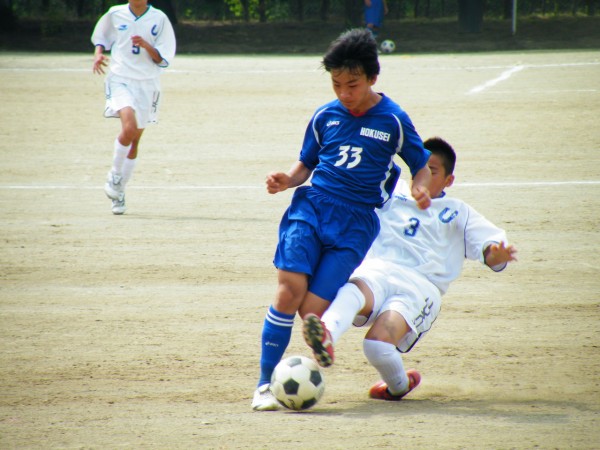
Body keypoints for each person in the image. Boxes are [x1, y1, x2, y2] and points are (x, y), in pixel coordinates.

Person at [252, 28, 433, 411]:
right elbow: (306, 163)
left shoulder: (394, 120)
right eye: (336, 85)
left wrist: (422, 188)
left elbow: (421, 165)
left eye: (352, 85)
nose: (344, 94)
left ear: (372, 78)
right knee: (288, 293)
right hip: (313, 207)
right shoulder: (325, 115)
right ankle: (265, 386)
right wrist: (288, 179)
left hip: (356, 224)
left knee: (311, 313)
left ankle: (328, 333)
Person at [302, 136, 518, 401]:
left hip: (420, 287)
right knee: (351, 291)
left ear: (449, 180)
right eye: (420, 168)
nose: (424, 176)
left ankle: (399, 386)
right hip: (378, 270)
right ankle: (326, 334)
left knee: (375, 347)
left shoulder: (459, 212)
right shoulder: (391, 193)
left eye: (433, 171)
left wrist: (495, 254)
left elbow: (493, 252)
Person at [92, 0, 176, 215]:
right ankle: (114, 175)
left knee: (135, 139)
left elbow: (163, 59)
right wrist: (99, 53)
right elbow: (101, 38)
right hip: (120, 78)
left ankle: (119, 192)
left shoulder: (159, 18)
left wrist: (147, 45)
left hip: (148, 84)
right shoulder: (115, 13)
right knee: (128, 128)